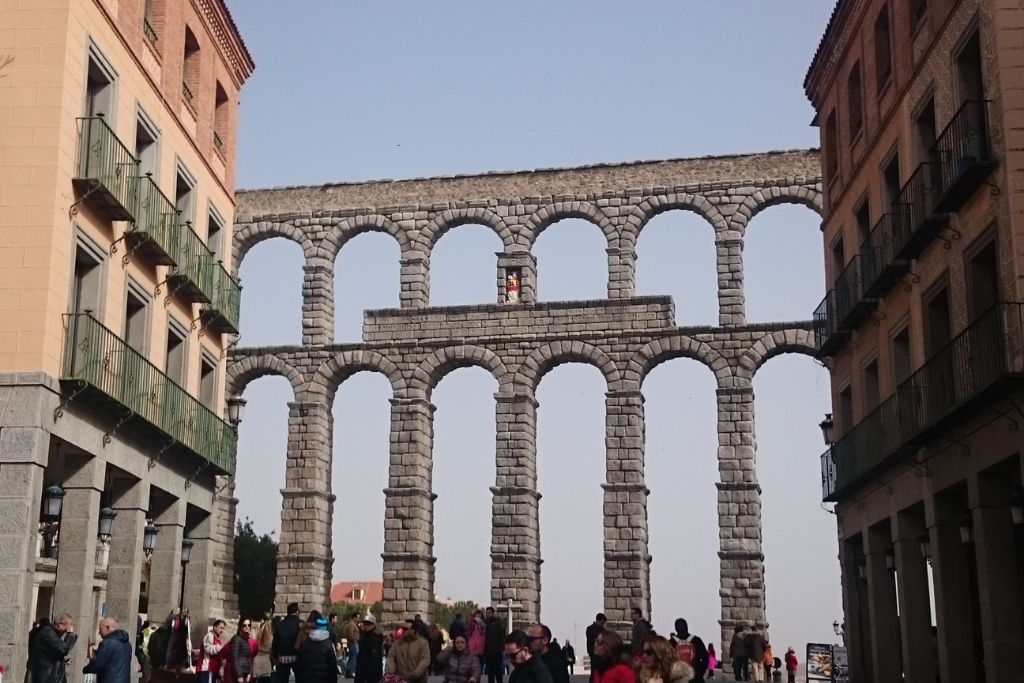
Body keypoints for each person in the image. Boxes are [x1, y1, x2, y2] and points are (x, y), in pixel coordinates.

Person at [29, 613, 77, 683]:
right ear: (60, 624)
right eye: (67, 627)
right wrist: (70, 635)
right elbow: (63, 649)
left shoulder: (52, 633)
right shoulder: (48, 633)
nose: (66, 630)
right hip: (48, 678)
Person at [82, 618, 132, 683]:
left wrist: (86, 669)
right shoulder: (127, 644)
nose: (99, 633)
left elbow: (97, 664)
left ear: (107, 628)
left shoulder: (107, 643)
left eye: (100, 629)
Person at [386, 618, 430, 683]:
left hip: (418, 680)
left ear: (413, 630)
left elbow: (425, 660)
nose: (402, 631)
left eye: (405, 629)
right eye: (402, 628)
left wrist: (416, 674)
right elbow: (391, 658)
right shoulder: (397, 643)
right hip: (401, 680)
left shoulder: (423, 643)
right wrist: (390, 672)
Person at [298, 618, 339, 683]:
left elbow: (300, 663)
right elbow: (332, 665)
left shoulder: (305, 643)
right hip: (324, 679)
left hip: (307, 678)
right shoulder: (329, 644)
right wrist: (334, 680)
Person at [670, 619, 708, 683]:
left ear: (676, 629)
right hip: (695, 677)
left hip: (678, 677)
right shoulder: (697, 640)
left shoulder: (671, 643)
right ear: (687, 627)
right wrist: (700, 673)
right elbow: (705, 658)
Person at [274, 603, 303, 683]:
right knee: (300, 679)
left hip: (283, 657)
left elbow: (275, 642)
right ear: (297, 612)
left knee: (283, 679)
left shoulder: (280, 625)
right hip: (298, 657)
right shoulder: (301, 624)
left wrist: (275, 656)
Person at [354, 616, 383, 683]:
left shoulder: (374, 639)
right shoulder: (366, 637)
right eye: (365, 624)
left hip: (369, 677)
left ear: (373, 626)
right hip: (363, 674)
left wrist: (366, 676)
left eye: (368, 624)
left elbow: (373, 660)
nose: (366, 626)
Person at [483, 607, 507, 683]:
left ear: (492, 613)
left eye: (489, 612)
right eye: (486, 612)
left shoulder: (498, 622)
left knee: (498, 669)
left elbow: (503, 635)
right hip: (488, 651)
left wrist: (501, 648)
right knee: (490, 670)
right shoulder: (485, 623)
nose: (487, 614)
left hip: (497, 651)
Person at [228, 618, 256, 683]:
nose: (247, 627)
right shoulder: (236, 639)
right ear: (240, 626)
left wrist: (250, 672)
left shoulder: (245, 639)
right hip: (239, 672)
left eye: (249, 625)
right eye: (244, 625)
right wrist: (239, 675)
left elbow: (248, 657)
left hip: (246, 672)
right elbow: (234, 658)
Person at [584, 614, 607, 683]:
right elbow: (591, 640)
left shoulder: (603, 630)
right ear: (597, 620)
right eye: (601, 623)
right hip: (593, 653)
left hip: (601, 653)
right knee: (594, 671)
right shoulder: (590, 629)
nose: (602, 625)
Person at [344, 614, 361, 679]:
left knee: (351, 657)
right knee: (354, 657)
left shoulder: (354, 624)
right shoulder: (351, 624)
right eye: (358, 617)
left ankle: (348, 671)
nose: (359, 619)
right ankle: (349, 671)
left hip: (353, 642)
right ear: (354, 617)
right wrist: (354, 641)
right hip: (353, 643)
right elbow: (350, 634)